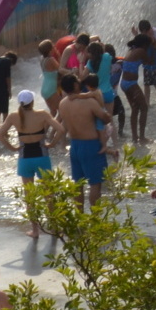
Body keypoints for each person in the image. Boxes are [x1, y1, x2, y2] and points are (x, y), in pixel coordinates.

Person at [56, 70, 114, 207]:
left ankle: (79, 217)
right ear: (76, 85)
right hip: (91, 146)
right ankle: (95, 219)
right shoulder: (89, 102)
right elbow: (105, 119)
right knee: (95, 184)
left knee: (78, 183)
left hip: (74, 146)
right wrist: (107, 114)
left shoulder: (63, 103)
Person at [12, 89, 55, 241]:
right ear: (33, 102)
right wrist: (52, 143)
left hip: (25, 159)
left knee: (29, 196)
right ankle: (55, 227)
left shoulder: (14, 116)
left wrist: (13, 148)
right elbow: (61, 128)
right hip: (42, 156)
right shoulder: (42, 114)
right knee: (49, 193)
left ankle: (35, 230)